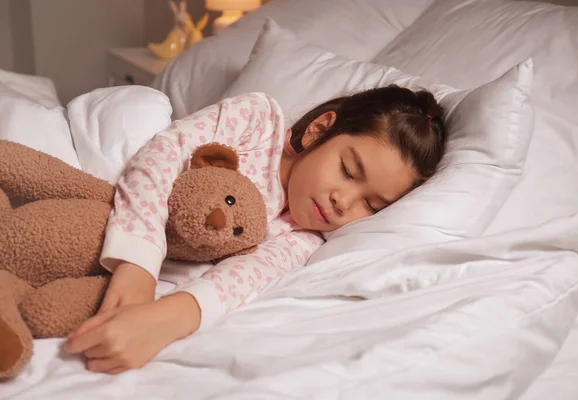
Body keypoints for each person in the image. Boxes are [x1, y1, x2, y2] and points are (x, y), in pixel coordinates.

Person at [63, 85, 447, 374]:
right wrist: (139, 265)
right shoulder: (257, 122)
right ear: (319, 129)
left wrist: (162, 321)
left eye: (372, 205)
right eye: (348, 171)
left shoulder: (301, 238)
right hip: (94, 189)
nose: (343, 202)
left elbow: (244, 278)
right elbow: (164, 154)